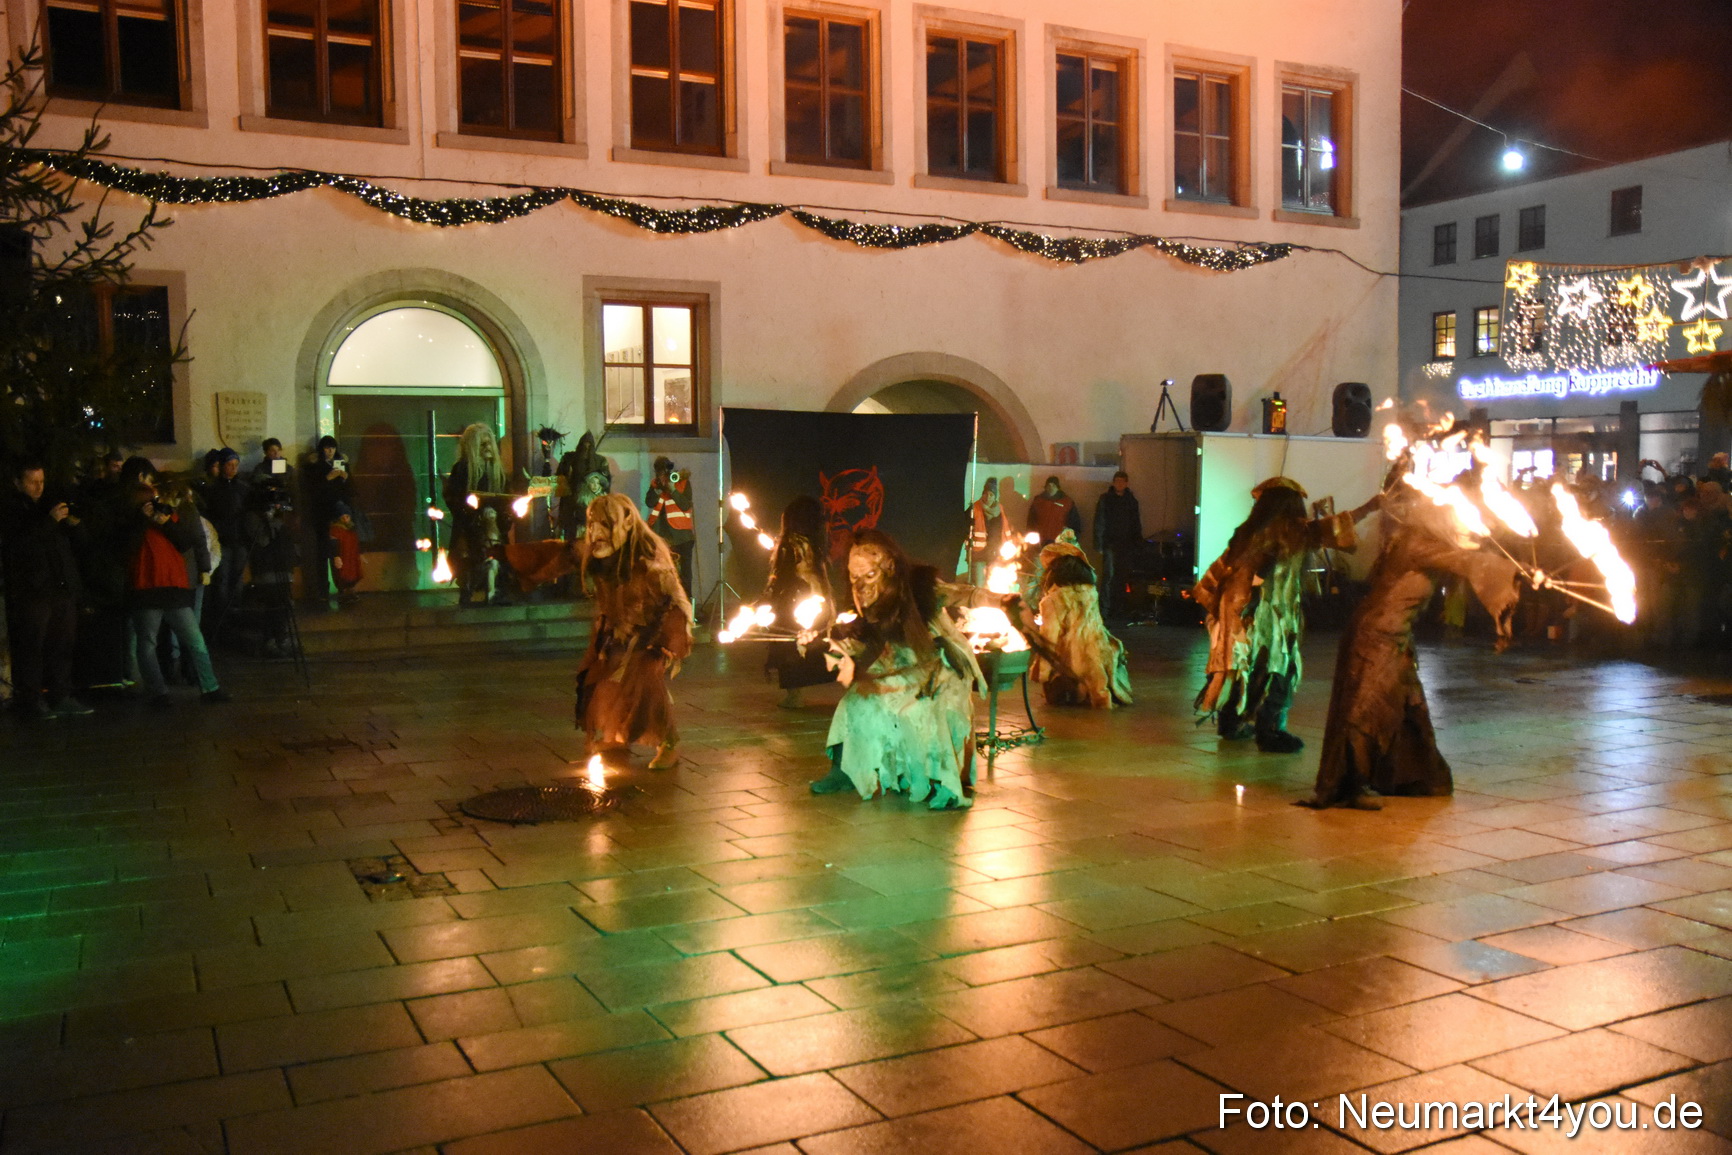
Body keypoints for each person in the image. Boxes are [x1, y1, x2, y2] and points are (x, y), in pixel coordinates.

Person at [1307, 483, 1520, 810]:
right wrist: (1514, 575)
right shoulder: (1419, 542)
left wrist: (1516, 568)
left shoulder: (1417, 539)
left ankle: (1416, 775)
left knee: (1407, 703)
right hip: (1375, 634)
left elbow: (1469, 555)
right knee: (1365, 707)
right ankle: (1349, 785)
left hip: (1394, 636)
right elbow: (1468, 562)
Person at [1194, 477, 1380, 753]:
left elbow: (1221, 569)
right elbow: (1336, 526)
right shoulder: (1295, 531)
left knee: (1240, 667)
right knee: (1277, 667)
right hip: (1269, 617)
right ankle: (1270, 731)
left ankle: (1231, 723)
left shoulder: (1246, 532)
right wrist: (1372, 505)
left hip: (1236, 615)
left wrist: (1207, 597)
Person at [809, 528, 984, 810]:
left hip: (939, 665)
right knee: (853, 704)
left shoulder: (919, 586)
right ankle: (842, 771)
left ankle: (938, 777)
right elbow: (855, 644)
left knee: (920, 712)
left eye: (869, 576)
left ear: (889, 567)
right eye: (855, 577)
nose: (861, 585)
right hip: (898, 663)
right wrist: (822, 642)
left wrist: (1007, 602)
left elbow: (965, 594)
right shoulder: (857, 601)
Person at [574, 493, 692, 770]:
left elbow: (673, 607)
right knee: (601, 677)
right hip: (621, 629)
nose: (596, 532)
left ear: (625, 523)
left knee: (644, 681)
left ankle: (669, 743)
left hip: (658, 630)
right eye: (592, 524)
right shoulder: (603, 559)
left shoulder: (649, 562)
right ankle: (615, 738)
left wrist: (663, 646)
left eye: (605, 524)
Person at [121, 483, 228, 709]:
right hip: (147, 586)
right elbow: (127, 546)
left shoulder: (169, 516)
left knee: (194, 639)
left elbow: (184, 541)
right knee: (148, 641)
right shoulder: (131, 521)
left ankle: (209, 686)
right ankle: (158, 692)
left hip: (172, 586)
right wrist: (143, 520)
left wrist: (165, 522)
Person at [1, 462, 91, 719]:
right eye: (32, 482)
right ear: (18, 483)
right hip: (34, 592)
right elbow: (22, 546)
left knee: (62, 644)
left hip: (60, 588)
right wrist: (50, 522)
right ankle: (30, 700)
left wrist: (74, 524)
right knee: (32, 647)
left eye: (42, 481)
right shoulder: (14, 510)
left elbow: (79, 544)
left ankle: (61, 695)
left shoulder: (46, 506)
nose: (39, 487)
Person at [1029, 530, 1132, 708]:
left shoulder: (1052, 600)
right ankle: (1100, 694)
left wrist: (1043, 671)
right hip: (1097, 652)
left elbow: (1049, 639)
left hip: (1071, 661)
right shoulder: (1090, 592)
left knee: (1057, 691)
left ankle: (1076, 692)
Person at [762, 496, 835, 709]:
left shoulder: (790, 543)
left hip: (791, 602)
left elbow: (783, 576)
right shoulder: (815, 542)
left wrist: (770, 595)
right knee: (806, 643)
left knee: (789, 648)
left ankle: (794, 695)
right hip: (814, 598)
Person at [444, 423, 513, 607]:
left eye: (489, 443)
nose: (487, 448)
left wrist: (506, 515)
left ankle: (495, 592)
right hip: (470, 524)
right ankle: (467, 591)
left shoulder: (498, 472)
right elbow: (452, 497)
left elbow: (506, 498)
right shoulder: (462, 469)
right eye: (482, 444)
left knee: (496, 555)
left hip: (493, 522)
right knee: (466, 556)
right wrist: (468, 511)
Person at [200, 448, 251, 637]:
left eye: (236, 465)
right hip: (223, 540)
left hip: (239, 540)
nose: (233, 468)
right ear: (222, 466)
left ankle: (235, 612)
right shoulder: (213, 490)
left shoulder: (243, 488)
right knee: (222, 580)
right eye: (229, 465)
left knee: (237, 579)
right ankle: (221, 618)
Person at [303, 436, 352, 605]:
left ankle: (345, 587)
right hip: (322, 514)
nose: (330, 451)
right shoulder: (315, 466)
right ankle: (323, 590)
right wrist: (327, 478)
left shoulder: (341, 462)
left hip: (340, 513)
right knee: (324, 551)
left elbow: (351, 489)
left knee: (342, 551)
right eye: (326, 448)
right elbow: (311, 489)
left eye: (332, 448)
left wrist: (345, 477)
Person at [1093, 470, 1143, 618]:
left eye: (1122, 481)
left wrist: (1137, 542)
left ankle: (1118, 608)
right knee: (1109, 576)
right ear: (1113, 482)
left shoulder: (1131, 501)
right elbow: (1099, 521)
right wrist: (1099, 543)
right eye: (1117, 481)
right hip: (1110, 543)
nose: (1119, 484)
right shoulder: (1106, 499)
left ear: (1126, 483)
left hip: (1126, 544)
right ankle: (1105, 609)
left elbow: (1136, 523)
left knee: (1122, 577)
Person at [644, 456, 695, 597]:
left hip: (683, 537)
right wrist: (659, 488)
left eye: (664, 472)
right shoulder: (656, 484)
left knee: (685, 575)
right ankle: (668, 606)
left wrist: (672, 490)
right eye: (659, 473)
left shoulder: (682, 482)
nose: (663, 476)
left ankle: (686, 605)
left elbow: (685, 505)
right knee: (664, 574)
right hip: (663, 537)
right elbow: (649, 502)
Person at [555, 431, 610, 541]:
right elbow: (560, 477)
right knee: (570, 537)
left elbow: (605, 484)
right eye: (584, 444)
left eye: (589, 445)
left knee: (591, 536)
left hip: (591, 504)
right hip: (571, 504)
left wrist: (596, 483)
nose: (586, 447)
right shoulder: (569, 458)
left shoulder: (600, 461)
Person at [966, 477, 1011, 585]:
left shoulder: (999, 510)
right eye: (986, 494)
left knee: (992, 586)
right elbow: (963, 528)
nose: (988, 497)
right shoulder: (973, 509)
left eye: (991, 495)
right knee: (979, 587)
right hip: (977, 555)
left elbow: (1003, 531)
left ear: (995, 497)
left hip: (994, 555)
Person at [1027, 476, 1082, 545]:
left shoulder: (1067, 502)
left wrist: (1073, 539)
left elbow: (1074, 522)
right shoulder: (1038, 501)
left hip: (1060, 541)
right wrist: (1030, 537)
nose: (1051, 487)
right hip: (1040, 541)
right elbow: (1031, 521)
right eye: (1048, 485)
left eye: (1053, 485)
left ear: (1058, 487)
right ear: (1045, 487)